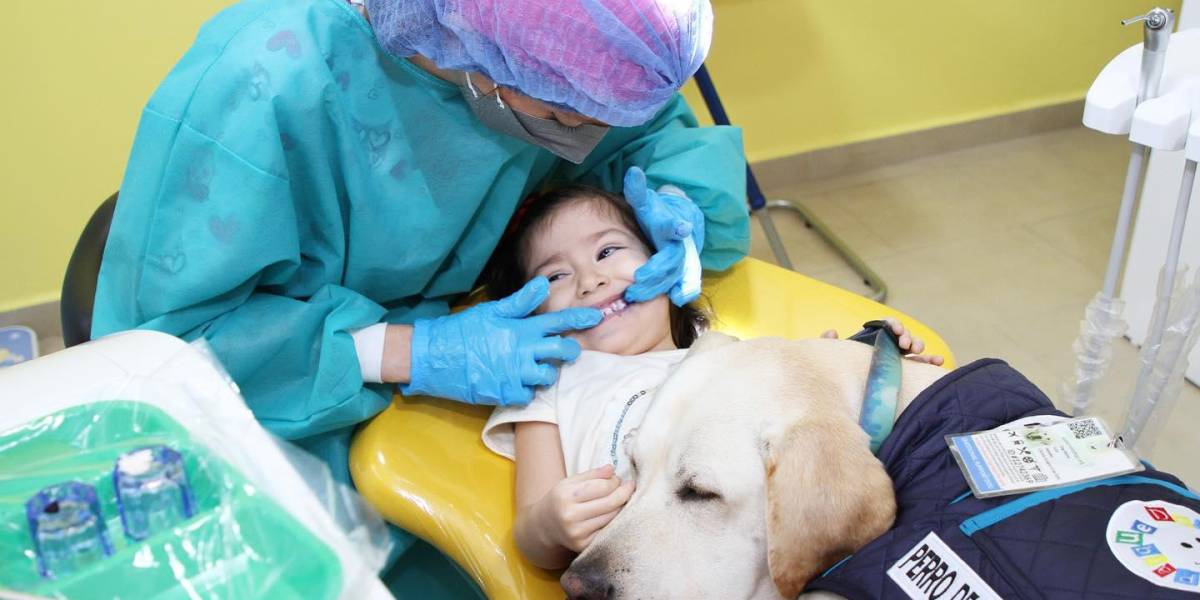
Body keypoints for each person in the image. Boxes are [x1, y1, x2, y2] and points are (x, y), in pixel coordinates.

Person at [91, 0, 747, 593]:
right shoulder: (265, 82)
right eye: (560, 118)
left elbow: (647, 134)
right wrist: (412, 351)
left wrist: (676, 202)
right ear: (481, 52)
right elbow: (171, 351)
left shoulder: (582, 51)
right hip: (264, 421)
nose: (584, 134)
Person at [479, 179, 944, 570]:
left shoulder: (713, 349)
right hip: (644, 565)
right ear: (531, 310)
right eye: (555, 276)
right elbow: (529, 527)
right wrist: (549, 525)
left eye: (608, 250)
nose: (590, 280)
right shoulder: (551, 382)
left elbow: (789, 416)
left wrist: (867, 376)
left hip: (767, 543)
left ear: (663, 258)